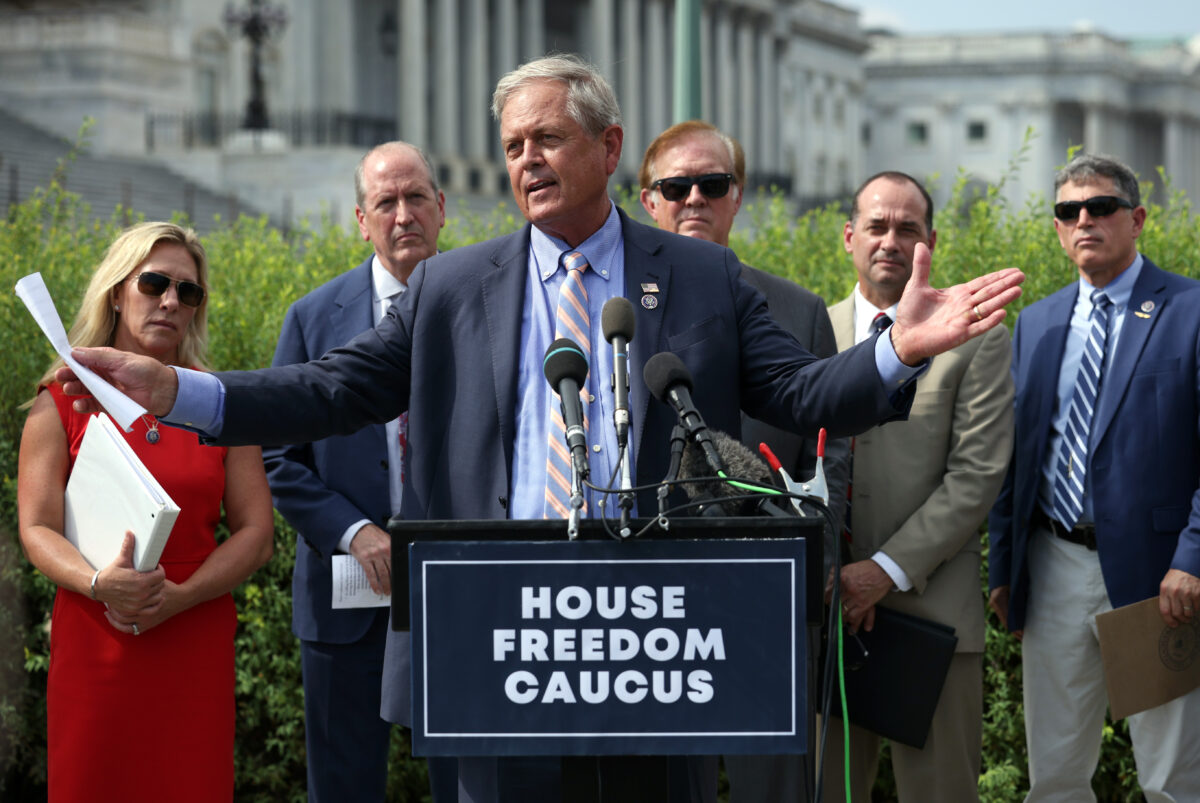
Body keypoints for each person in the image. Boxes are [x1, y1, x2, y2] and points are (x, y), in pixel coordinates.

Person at [58, 56, 1023, 803]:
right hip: (498, 637)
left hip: (658, 640)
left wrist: (899, 348)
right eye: (514, 143)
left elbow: (807, 391)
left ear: (609, 149)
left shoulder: (698, 278)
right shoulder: (448, 286)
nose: (526, 159)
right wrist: (187, 392)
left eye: (549, 138)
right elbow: (330, 389)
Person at [17, 222, 274, 802]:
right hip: (97, 638)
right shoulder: (63, 398)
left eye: (189, 292)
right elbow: (35, 528)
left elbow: (257, 535)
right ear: (116, 291)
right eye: (154, 282)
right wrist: (100, 582)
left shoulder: (219, 406)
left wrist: (181, 596)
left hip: (195, 633)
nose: (170, 301)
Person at [639, 120, 851, 802]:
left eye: (712, 184)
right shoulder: (613, 306)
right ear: (649, 200)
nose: (694, 198)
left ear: (739, 196)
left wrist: (813, 561)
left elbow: (831, 448)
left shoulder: (796, 308)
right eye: (676, 186)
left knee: (776, 789)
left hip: (769, 597)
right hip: (645, 605)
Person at [988, 153, 1200, 801]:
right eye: (1068, 211)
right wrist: (1005, 569)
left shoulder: (1190, 310)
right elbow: (1015, 455)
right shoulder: (1039, 322)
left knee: (1170, 776)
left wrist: (1193, 556)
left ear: (1135, 219)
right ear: (1057, 229)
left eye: (1101, 207)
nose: (1085, 221)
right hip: (1053, 564)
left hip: (1158, 574)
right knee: (1053, 774)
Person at [821, 171, 1013, 803]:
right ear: (850, 237)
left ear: (931, 240)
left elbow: (977, 476)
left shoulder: (977, 340)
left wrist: (881, 571)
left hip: (931, 622)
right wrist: (836, 575)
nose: (890, 241)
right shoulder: (810, 333)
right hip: (825, 616)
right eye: (877, 226)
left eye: (908, 229)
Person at [262, 141, 445, 802]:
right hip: (346, 596)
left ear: (442, 207)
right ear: (361, 220)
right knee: (342, 787)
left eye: (416, 197)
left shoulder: (483, 307)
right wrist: (354, 531)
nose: (404, 215)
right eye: (385, 203)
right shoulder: (314, 318)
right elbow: (279, 455)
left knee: (473, 781)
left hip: (456, 589)